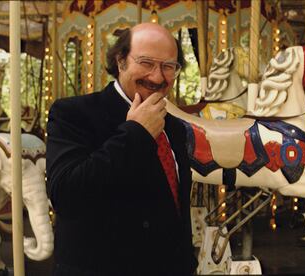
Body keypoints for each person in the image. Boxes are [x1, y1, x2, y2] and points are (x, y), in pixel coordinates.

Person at [46, 23, 197, 275]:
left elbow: (175, 210)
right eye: (146, 63)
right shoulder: (74, 114)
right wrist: (136, 132)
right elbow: (66, 196)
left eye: (168, 66)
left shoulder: (174, 128)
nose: (158, 77)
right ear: (121, 61)